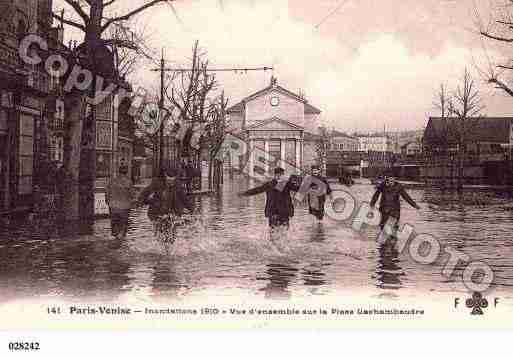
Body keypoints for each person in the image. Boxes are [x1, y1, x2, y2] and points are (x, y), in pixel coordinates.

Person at [137, 167, 193, 234]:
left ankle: (169, 241)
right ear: (165, 176)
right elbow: (145, 192)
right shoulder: (157, 183)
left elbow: (184, 198)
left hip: (172, 213)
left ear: (175, 178)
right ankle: (160, 240)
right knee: (160, 233)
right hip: (158, 213)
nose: (170, 183)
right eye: (169, 180)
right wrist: (140, 201)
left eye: (172, 181)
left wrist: (191, 208)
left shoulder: (178, 185)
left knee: (171, 234)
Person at [106, 165, 135, 239]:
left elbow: (107, 193)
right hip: (124, 207)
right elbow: (132, 195)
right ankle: (121, 241)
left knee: (114, 223)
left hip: (113, 206)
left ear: (119, 171)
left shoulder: (112, 180)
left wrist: (108, 201)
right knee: (123, 224)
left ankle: (115, 238)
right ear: (126, 172)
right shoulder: (129, 182)